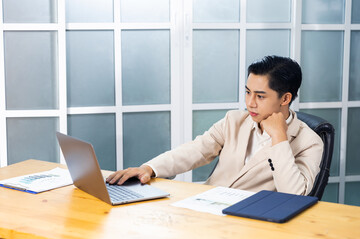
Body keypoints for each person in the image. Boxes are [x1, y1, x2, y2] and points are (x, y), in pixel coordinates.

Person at [107, 55, 324, 195]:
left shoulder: (309, 142)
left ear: (285, 99)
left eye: (260, 96)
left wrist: (279, 138)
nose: (249, 103)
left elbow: (295, 196)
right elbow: (196, 150)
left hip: (252, 223)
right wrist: (149, 168)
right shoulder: (234, 120)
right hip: (207, 206)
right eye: (247, 92)